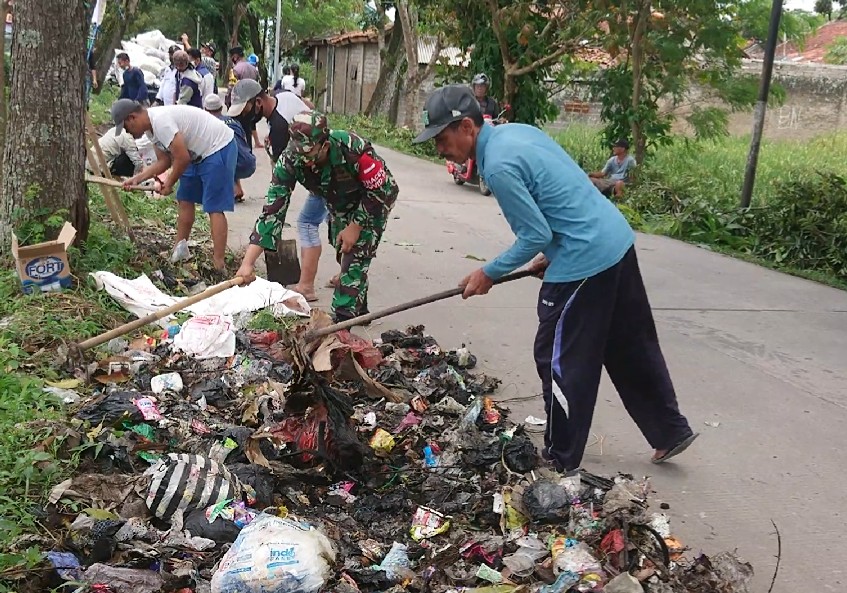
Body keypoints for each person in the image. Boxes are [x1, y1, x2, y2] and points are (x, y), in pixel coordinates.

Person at [413, 85, 697, 473]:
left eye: (442, 140)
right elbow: (566, 190)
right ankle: (670, 432)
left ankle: (561, 457)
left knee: (558, 358)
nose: (439, 149)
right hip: (614, 240)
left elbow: (533, 235)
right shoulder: (518, 132)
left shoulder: (496, 165)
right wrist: (555, 250)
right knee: (630, 345)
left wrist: (488, 273)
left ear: (466, 127)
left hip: (586, 260)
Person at [235, 112, 399, 321]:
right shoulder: (291, 159)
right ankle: (359, 310)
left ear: (325, 145)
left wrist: (356, 225)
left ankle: (341, 326)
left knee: (354, 255)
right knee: (343, 249)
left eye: (309, 153)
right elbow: (273, 211)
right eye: (299, 154)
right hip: (338, 204)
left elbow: (383, 191)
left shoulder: (352, 149)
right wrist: (248, 262)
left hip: (372, 201)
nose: (304, 161)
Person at [111, 99, 237, 272]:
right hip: (194, 154)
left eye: (126, 127)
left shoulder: (161, 122)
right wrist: (137, 179)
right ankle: (180, 249)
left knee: (213, 206)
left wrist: (169, 183)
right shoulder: (151, 130)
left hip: (217, 148)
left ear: (132, 118)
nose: (128, 132)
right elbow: (164, 161)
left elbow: (182, 158)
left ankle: (219, 263)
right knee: (185, 198)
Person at [228, 79, 323, 300]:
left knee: (308, 223)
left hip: (323, 180)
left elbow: (283, 180)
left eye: (247, 109)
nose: (246, 116)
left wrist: (276, 204)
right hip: (321, 169)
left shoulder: (281, 128)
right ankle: (343, 272)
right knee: (337, 224)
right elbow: (308, 111)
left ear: (258, 102)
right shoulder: (284, 97)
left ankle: (307, 287)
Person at [204, 93, 256, 203]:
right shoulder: (234, 122)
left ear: (205, 109)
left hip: (236, 164)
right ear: (221, 108)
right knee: (231, 153)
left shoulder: (210, 125)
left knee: (209, 157)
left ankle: (232, 189)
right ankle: (238, 188)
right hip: (250, 162)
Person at [227, 46, 261, 147]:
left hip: (239, 105)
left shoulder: (236, 70)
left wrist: (228, 102)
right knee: (248, 129)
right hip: (251, 104)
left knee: (237, 130)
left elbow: (231, 88)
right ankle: (249, 151)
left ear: (236, 57)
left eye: (232, 57)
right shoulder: (253, 69)